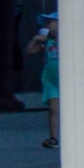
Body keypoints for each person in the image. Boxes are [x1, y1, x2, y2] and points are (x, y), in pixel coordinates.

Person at [28, 12, 60, 149]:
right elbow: (30, 51)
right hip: (52, 80)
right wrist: (36, 39)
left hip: (68, 81)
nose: (47, 26)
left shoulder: (69, 40)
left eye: (50, 23)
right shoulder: (47, 41)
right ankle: (53, 137)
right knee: (53, 109)